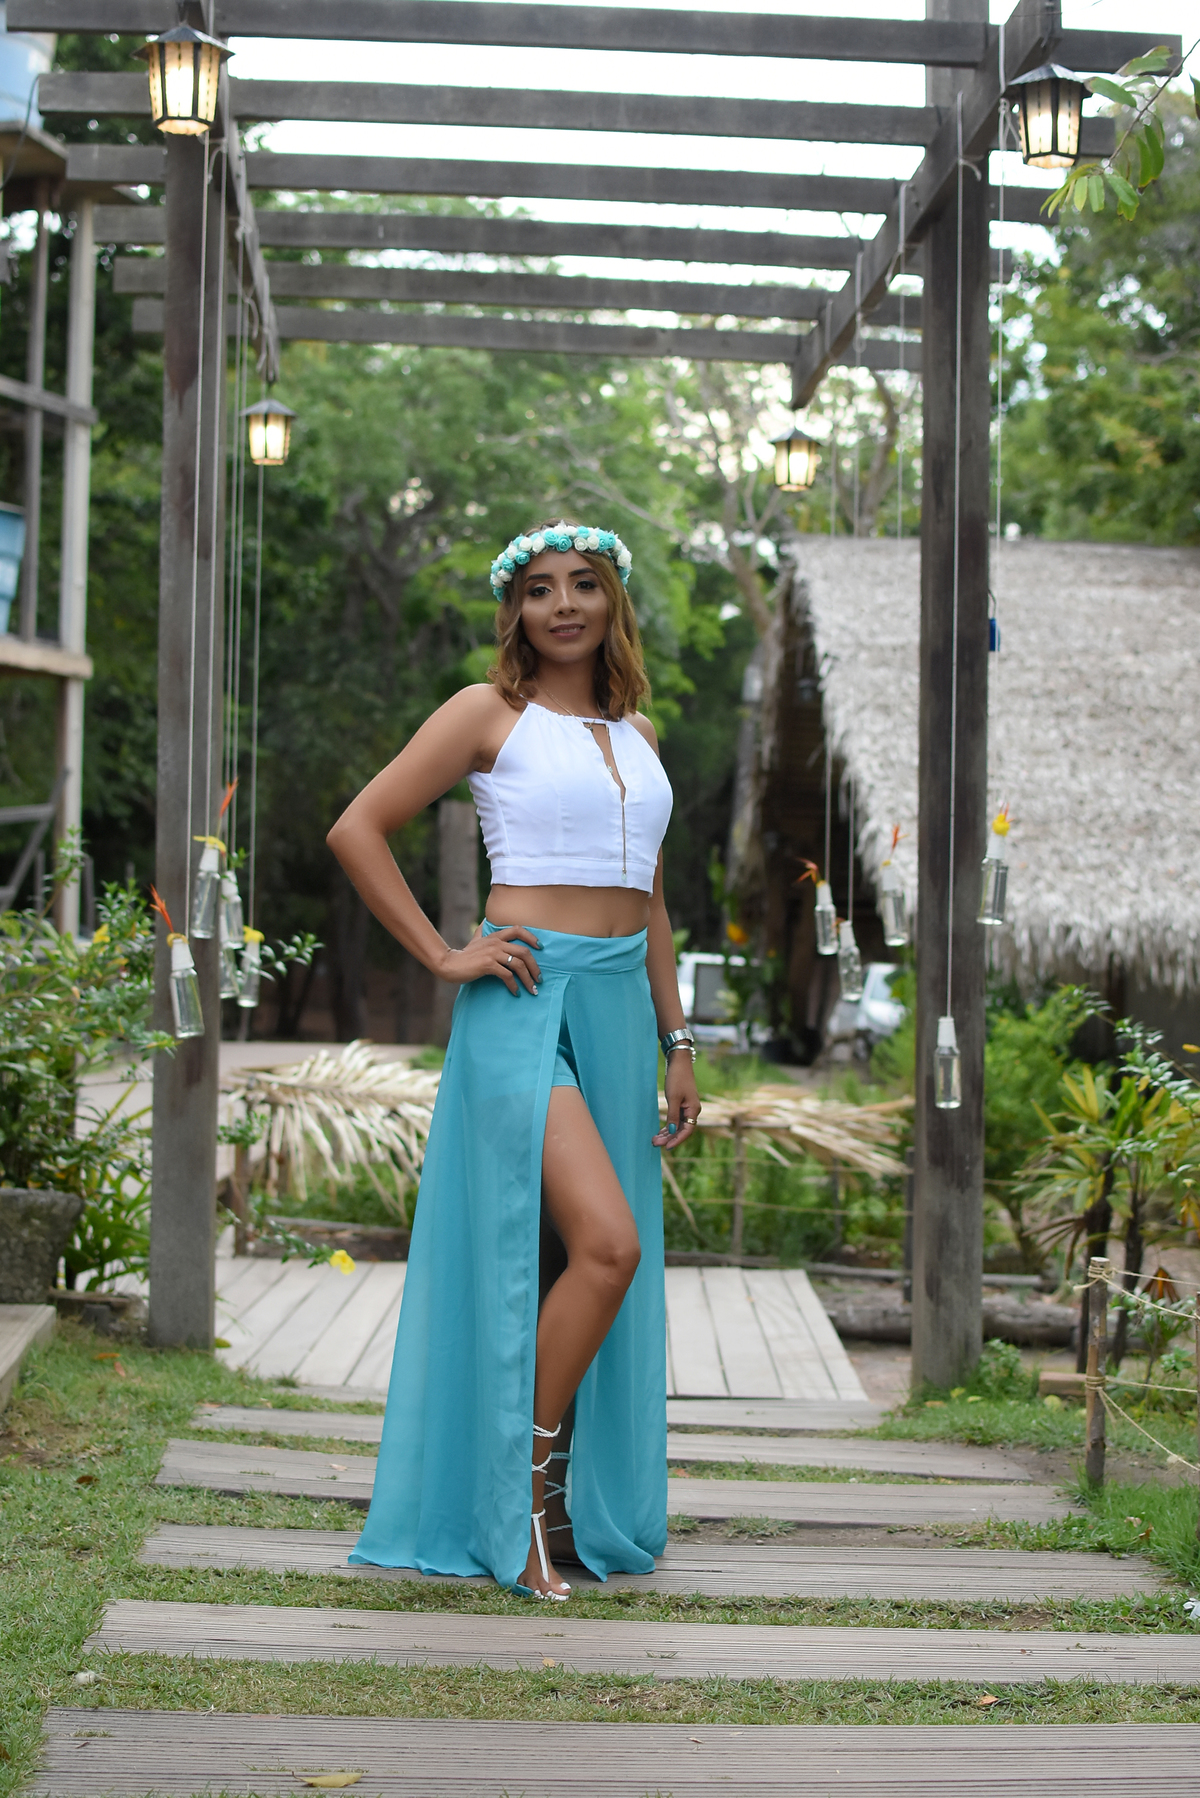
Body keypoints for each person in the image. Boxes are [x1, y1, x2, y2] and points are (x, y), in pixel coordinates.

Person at [327, 520, 700, 1599]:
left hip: (620, 1011)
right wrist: (446, 954)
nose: (563, 604)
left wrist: (679, 1040)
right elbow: (358, 828)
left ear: (612, 599)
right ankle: (520, 1500)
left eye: (583, 584)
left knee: (579, 1256)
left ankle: (569, 1503)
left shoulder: (640, 733)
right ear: (517, 610)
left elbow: (652, 900)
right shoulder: (487, 713)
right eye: (540, 589)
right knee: (607, 1247)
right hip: (524, 1002)